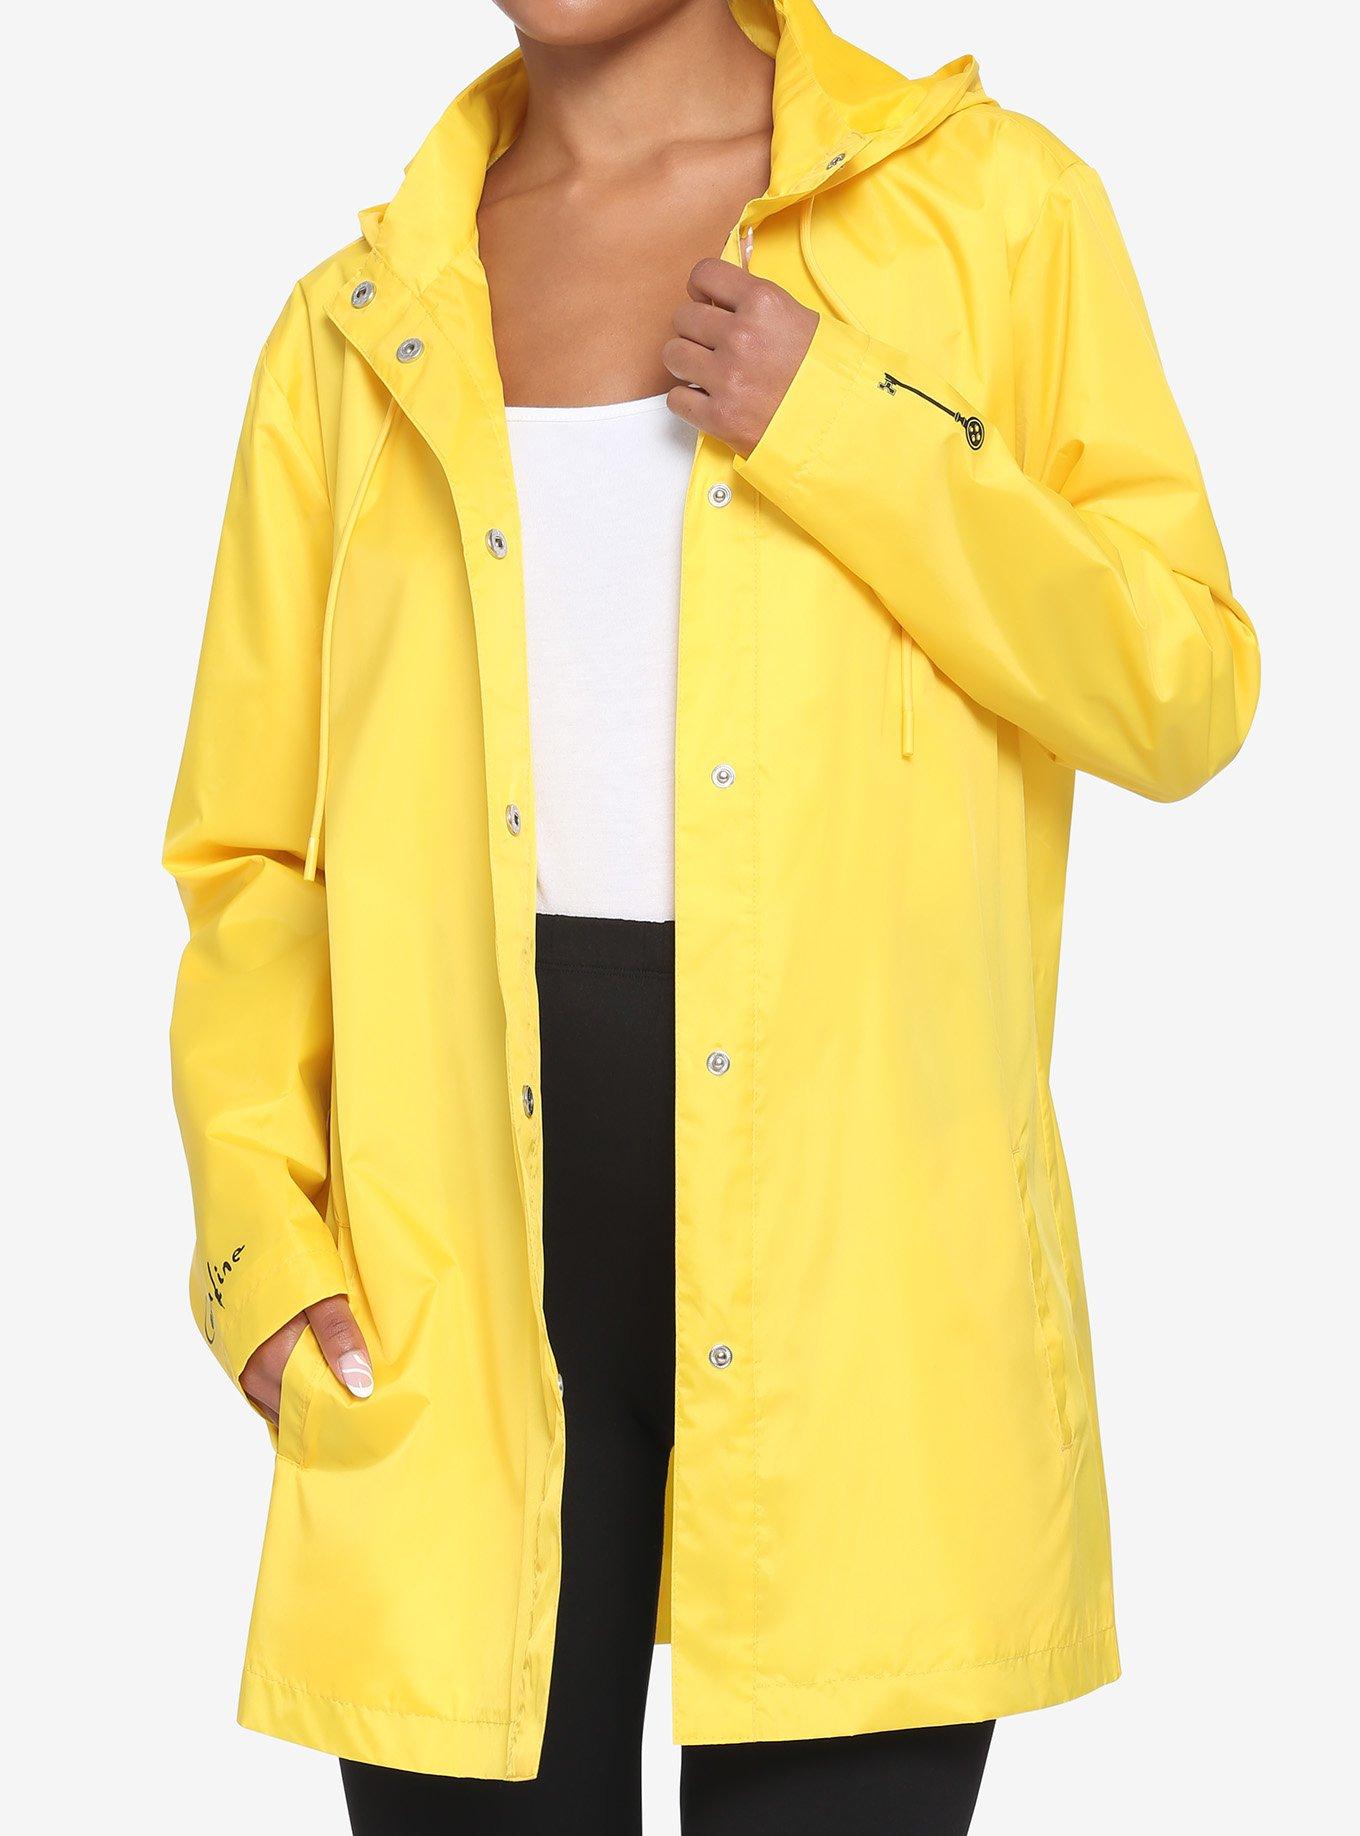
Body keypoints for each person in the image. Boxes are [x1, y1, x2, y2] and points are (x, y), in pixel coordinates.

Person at [164, 1, 1259, 1830]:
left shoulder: (997, 214)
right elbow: (248, 854)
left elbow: (1184, 695)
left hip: (862, 1277)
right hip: (456, 1279)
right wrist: (259, 1249)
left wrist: (848, 427)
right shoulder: (355, 325)